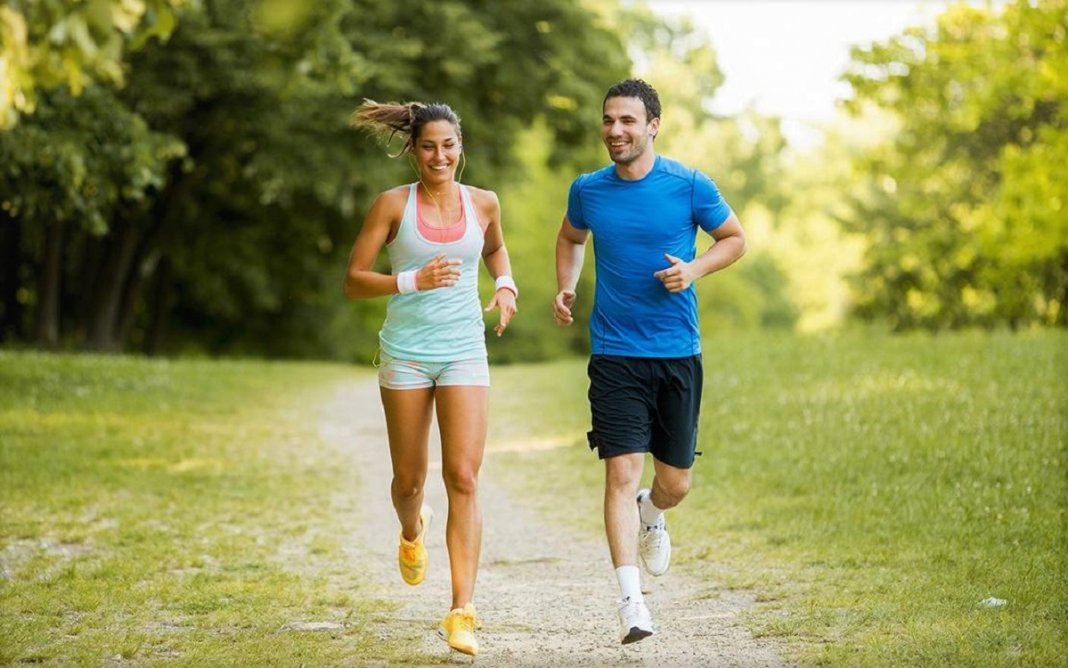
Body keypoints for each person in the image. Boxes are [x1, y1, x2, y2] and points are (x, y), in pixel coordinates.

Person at [552, 79, 745, 645]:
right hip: (614, 355)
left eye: (627, 121)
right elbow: (570, 238)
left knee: (676, 483)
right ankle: (631, 604)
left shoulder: (688, 185)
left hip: (677, 353)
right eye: (609, 120)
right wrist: (566, 285)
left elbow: (734, 239)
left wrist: (694, 270)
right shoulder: (588, 190)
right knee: (619, 472)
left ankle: (653, 514)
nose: (615, 130)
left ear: (653, 125)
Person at [344, 99, 518, 657]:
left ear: (460, 147)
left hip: (464, 349)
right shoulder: (392, 205)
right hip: (408, 353)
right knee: (409, 482)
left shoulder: (484, 203)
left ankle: (461, 611)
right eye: (428, 146)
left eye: (448, 145)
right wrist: (410, 280)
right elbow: (354, 279)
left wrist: (507, 283)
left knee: (464, 476)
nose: (439, 155)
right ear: (414, 150)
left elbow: (493, 249)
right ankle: (412, 528)